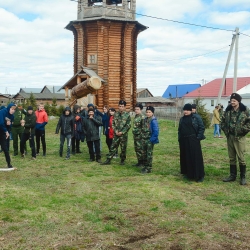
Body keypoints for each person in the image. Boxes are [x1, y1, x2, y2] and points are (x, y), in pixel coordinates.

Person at [221, 93, 250, 185]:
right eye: (231, 101)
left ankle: (243, 177)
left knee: (241, 157)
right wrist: (226, 132)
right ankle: (232, 175)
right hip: (230, 136)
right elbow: (222, 121)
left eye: (234, 101)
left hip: (240, 137)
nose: (232, 102)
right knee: (232, 157)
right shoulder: (228, 110)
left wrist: (242, 130)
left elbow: (249, 123)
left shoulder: (244, 110)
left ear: (238, 101)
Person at [178, 103, 205, 182]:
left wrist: (198, 138)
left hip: (193, 139)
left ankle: (199, 175)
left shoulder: (195, 118)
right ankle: (189, 174)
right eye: (185, 110)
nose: (186, 112)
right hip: (184, 140)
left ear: (191, 111)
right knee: (186, 157)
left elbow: (201, 127)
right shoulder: (182, 119)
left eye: (187, 110)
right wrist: (180, 139)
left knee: (195, 157)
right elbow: (180, 130)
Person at [101, 100, 131, 165]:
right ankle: (108, 160)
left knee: (123, 148)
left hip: (123, 135)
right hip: (116, 134)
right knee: (113, 147)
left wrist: (122, 132)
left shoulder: (127, 115)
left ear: (125, 107)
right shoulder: (116, 114)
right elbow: (113, 123)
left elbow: (128, 125)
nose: (121, 108)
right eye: (120, 106)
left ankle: (122, 160)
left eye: (122, 106)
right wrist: (116, 131)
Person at [141, 106, 159, 173]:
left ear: (152, 113)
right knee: (144, 154)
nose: (148, 113)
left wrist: (151, 140)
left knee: (149, 154)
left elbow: (156, 132)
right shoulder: (145, 120)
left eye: (149, 112)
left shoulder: (153, 121)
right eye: (147, 112)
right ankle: (145, 166)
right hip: (144, 139)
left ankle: (148, 168)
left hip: (149, 140)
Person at [0, 103, 16, 168]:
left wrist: (8, 130)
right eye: (12, 109)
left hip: (3, 133)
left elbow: (10, 126)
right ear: (9, 108)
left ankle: (9, 164)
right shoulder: (2, 112)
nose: (13, 111)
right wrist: (6, 131)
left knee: (5, 149)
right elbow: (1, 123)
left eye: (14, 110)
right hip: (2, 130)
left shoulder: (12, 116)